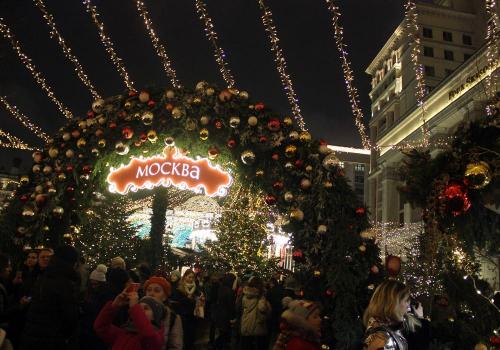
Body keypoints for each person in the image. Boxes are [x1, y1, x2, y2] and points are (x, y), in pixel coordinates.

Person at [21, 245, 81, 350]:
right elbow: (69, 317)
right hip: (51, 339)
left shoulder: (46, 276)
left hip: (35, 336)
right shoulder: (64, 283)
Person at [94, 290, 165, 350]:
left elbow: (148, 335)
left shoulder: (156, 337)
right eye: (139, 308)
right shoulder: (125, 332)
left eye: (146, 308)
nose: (140, 311)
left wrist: (135, 307)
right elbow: (101, 327)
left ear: (155, 316)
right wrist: (114, 306)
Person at [362, 280, 421, 350]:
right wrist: (421, 320)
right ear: (393, 304)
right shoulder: (382, 339)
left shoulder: (390, 329)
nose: (408, 306)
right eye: (406, 300)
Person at [144, 276, 183, 350]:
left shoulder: (173, 318)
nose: (151, 294)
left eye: (157, 291)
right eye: (149, 290)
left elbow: (175, 346)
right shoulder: (138, 312)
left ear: (165, 296)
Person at [238, 276, 271, 350]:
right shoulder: (260, 297)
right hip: (257, 327)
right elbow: (262, 308)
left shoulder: (245, 296)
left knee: (246, 345)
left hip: (246, 325)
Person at [81, 264, 109, 350]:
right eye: (92, 284)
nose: (93, 286)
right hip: (86, 329)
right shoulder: (87, 293)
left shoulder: (104, 295)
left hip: (96, 331)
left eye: (96, 284)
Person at [211, 273, 236, 350]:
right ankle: (215, 346)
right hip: (225, 316)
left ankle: (215, 346)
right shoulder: (230, 291)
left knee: (222, 334)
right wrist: (233, 317)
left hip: (219, 315)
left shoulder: (221, 288)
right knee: (224, 335)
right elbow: (231, 306)